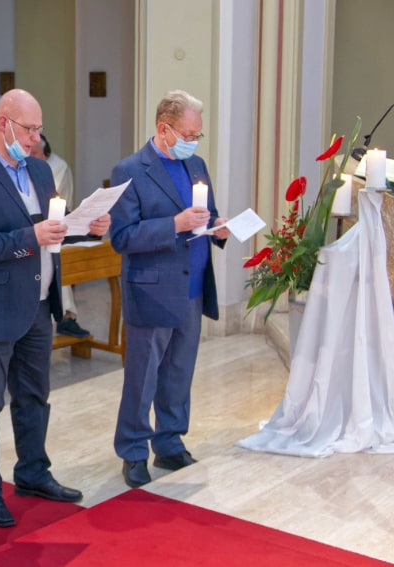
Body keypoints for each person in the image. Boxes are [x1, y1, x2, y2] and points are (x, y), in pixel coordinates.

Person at [0, 89, 110, 528]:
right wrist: (30, 238)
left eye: (39, 129)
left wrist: (84, 226)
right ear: (3, 124)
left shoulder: (39, 170)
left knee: (35, 397)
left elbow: (55, 227)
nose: (37, 138)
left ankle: (34, 473)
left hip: (40, 306)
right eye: (29, 129)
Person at [108, 90, 230, 488]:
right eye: (188, 133)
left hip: (192, 286)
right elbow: (122, 237)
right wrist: (173, 225)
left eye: (198, 134)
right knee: (142, 376)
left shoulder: (196, 164)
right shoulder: (130, 169)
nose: (193, 141)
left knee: (179, 371)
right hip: (152, 289)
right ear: (164, 128)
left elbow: (204, 217)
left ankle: (171, 442)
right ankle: (134, 451)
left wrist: (219, 227)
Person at [31, 134, 90, 339]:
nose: (32, 155)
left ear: (45, 152)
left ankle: (65, 316)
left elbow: (55, 202)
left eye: (36, 153)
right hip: (34, 232)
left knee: (56, 261)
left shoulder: (57, 167)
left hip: (55, 225)